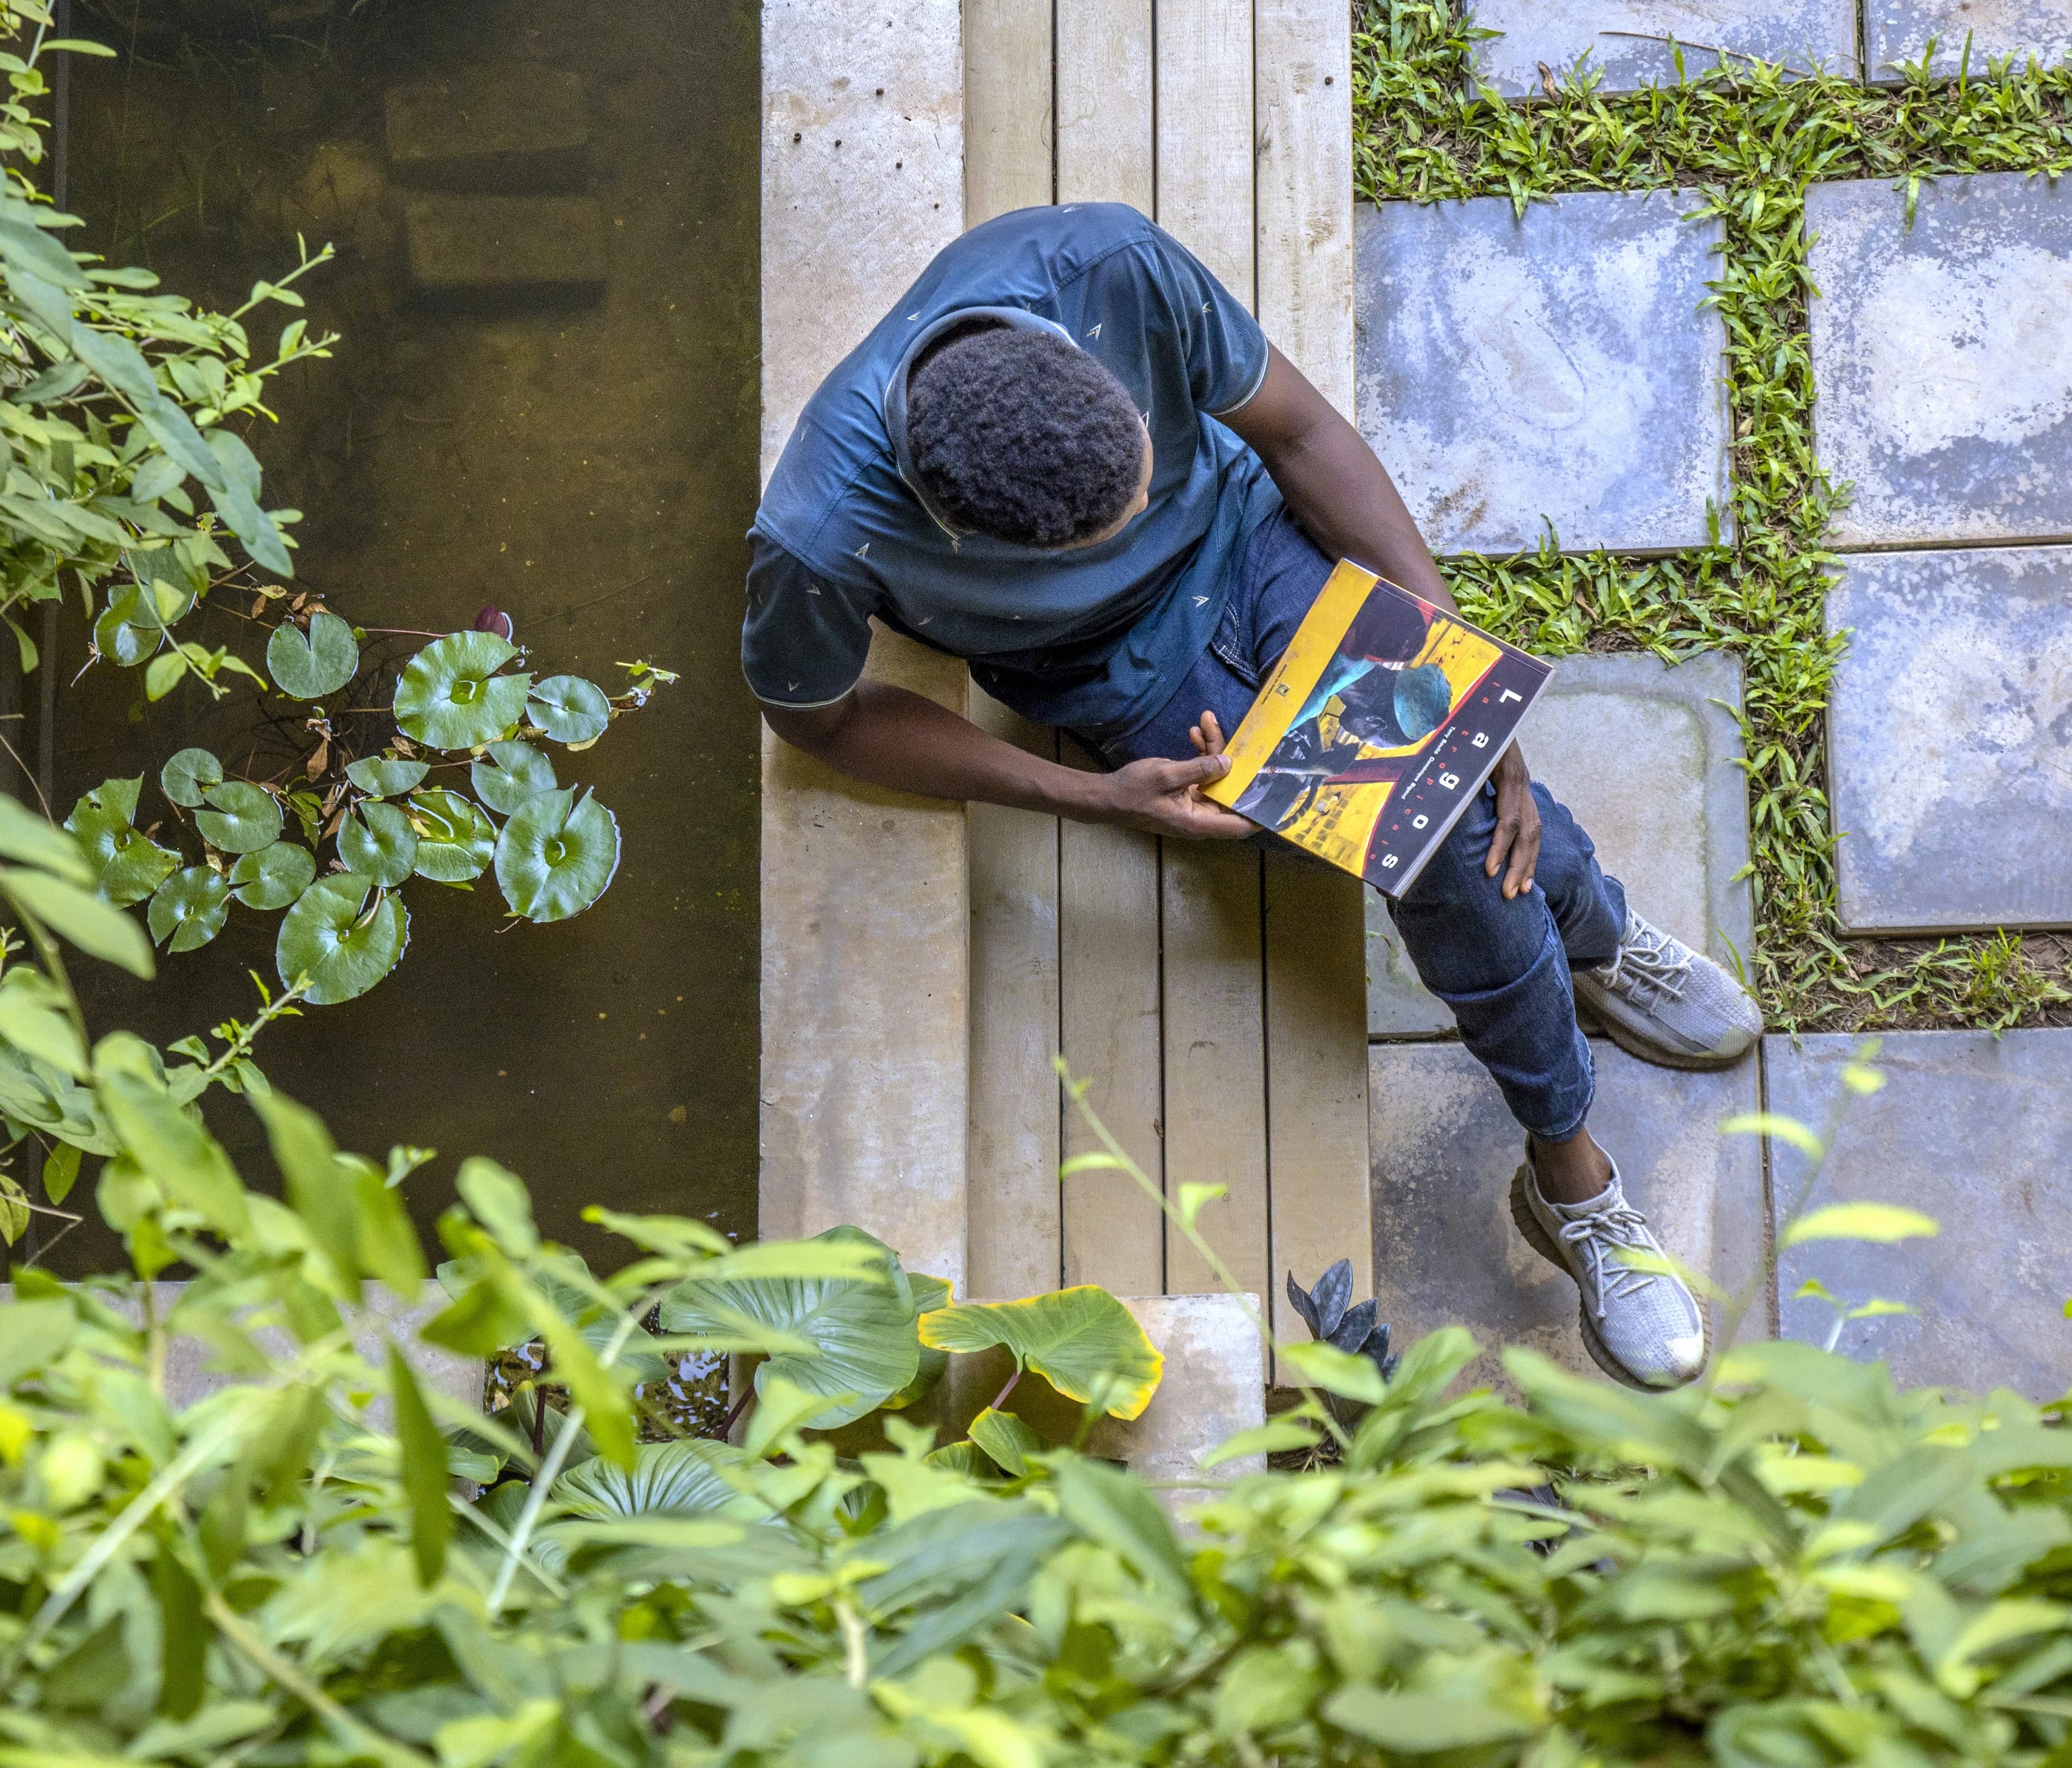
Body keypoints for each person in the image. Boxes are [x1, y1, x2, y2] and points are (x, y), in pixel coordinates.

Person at [743, 203, 1761, 1391]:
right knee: (1436, 826)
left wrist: (1452, 664)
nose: (1140, 523)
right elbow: (818, 718)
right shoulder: (820, 534)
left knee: (1441, 808)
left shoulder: (1107, 266)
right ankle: (1578, 1063)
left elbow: (1299, 431)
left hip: (1255, 547)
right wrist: (1095, 796)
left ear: (1087, 360)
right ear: (962, 534)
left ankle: (1571, 1096)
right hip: (1120, 673)